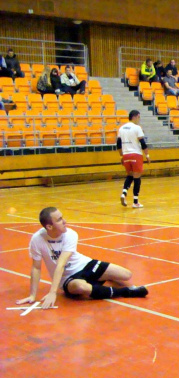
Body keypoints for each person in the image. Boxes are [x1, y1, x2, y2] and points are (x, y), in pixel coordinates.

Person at [17, 207, 149, 310]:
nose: (64, 222)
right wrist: (34, 295)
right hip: (67, 278)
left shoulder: (70, 234)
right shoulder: (37, 239)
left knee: (126, 275)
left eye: (62, 217)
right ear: (49, 227)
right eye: (59, 220)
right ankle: (125, 292)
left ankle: (99, 280)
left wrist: (52, 292)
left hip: (84, 264)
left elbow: (61, 263)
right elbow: (36, 267)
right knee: (80, 287)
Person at [118, 110, 150, 208]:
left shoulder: (121, 128)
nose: (139, 120)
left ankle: (124, 192)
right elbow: (143, 143)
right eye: (139, 117)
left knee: (130, 175)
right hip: (136, 154)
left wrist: (121, 156)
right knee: (137, 177)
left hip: (126, 155)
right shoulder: (137, 128)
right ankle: (135, 201)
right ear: (135, 116)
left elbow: (118, 145)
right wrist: (147, 156)